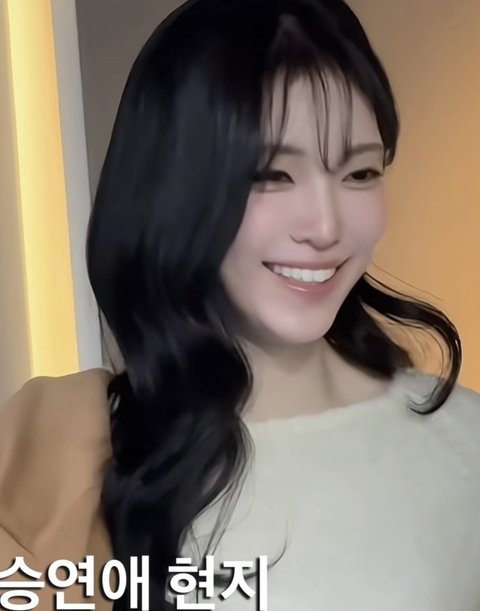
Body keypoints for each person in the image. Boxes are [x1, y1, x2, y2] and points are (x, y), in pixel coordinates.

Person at [1, 0, 479, 609]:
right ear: (174, 193)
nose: (326, 227)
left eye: (360, 173)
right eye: (270, 176)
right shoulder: (63, 451)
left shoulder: (464, 446)